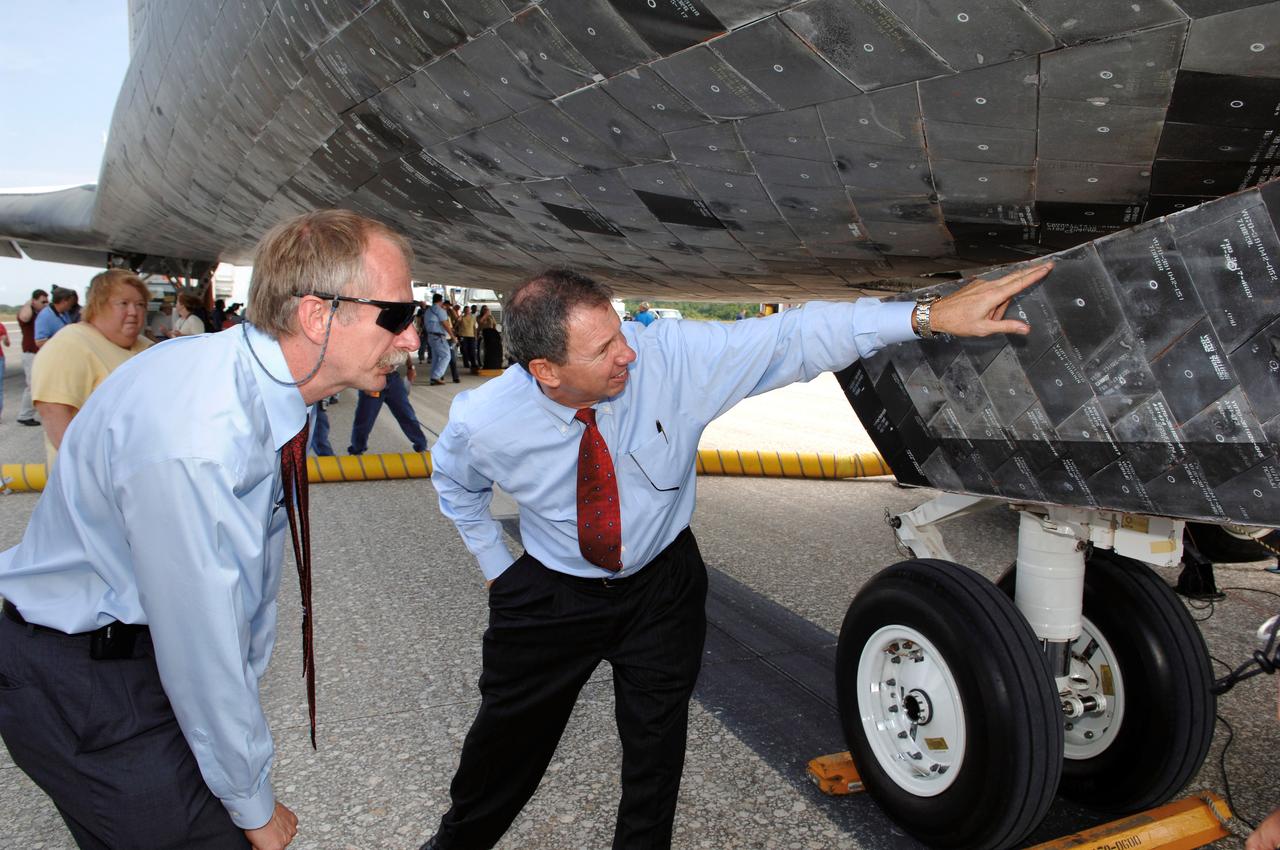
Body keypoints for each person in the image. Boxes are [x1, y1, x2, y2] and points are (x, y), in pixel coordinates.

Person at [422, 263, 1052, 850]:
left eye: (620, 333)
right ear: (545, 371)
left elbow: (793, 336)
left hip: (661, 584)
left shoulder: (666, 359)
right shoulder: (485, 421)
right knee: (505, 749)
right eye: (603, 350)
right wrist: (499, 573)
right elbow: (455, 484)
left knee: (655, 746)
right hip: (553, 594)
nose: (627, 354)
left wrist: (928, 316)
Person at [0, 209, 420, 850]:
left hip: (137, 658)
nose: (413, 340)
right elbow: (200, 638)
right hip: (88, 680)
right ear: (317, 315)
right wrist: (251, 801)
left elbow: (239, 588)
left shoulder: (257, 390)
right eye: (397, 316)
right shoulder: (200, 437)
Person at [30, 269, 153, 470]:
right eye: (123, 303)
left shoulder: (146, 347)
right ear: (98, 306)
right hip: (98, 482)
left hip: (140, 475)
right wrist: (93, 474)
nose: (133, 311)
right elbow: (54, 414)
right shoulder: (70, 344)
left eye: (140, 304)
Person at [347, 360, 429, 454]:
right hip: (372, 379)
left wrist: (411, 367)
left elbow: (403, 350)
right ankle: (357, 450)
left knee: (407, 415)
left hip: (393, 379)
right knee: (365, 418)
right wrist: (363, 382)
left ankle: (421, 446)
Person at [15, 289, 48, 426]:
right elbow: (24, 317)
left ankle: (31, 412)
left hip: (40, 354)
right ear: (34, 301)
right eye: (43, 302)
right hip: (31, 354)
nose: (46, 304)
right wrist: (29, 303)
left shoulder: (41, 314)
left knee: (40, 384)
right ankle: (24, 415)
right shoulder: (28, 313)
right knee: (32, 385)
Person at [424, 292, 455, 385]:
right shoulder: (440, 310)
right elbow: (445, 324)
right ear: (441, 301)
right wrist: (453, 336)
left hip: (431, 336)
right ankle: (436, 376)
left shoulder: (428, 310)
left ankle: (433, 378)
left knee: (436, 358)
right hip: (438, 337)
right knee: (446, 356)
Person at [476, 305, 500, 369]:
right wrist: (485, 315)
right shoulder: (479, 317)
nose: (486, 310)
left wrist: (495, 332)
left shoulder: (491, 317)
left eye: (487, 309)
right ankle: (480, 362)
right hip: (483, 333)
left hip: (491, 333)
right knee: (481, 348)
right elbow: (480, 322)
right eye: (485, 309)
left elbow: (494, 324)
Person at [457, 302, 478, 370]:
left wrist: (475, 335)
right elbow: (457, 322)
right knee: (464, 350)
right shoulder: (462, 318)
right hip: (463, 335)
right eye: (466, 310)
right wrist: (461, 315)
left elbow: (475, 327)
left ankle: (473, 363)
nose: (467, 311)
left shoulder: (473, 318)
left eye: (468, 310)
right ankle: (466, 363)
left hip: (471, 336)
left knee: (472, 350)